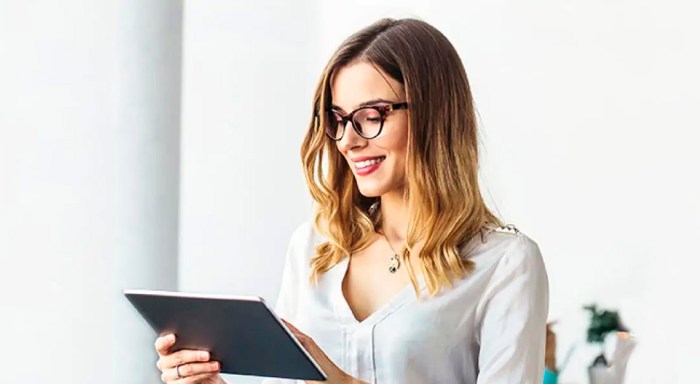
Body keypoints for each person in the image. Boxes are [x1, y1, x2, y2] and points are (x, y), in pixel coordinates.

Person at [153, 17, 549, 384]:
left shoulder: (505, 265)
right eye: (339, 119)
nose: (349, 140)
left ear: (434, 115)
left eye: (372, 115)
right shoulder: (314, 248)